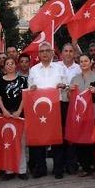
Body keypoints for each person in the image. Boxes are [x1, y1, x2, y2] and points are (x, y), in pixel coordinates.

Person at [26, 41, 68, 179]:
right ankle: (41, 167)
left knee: (57, 138)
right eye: (42, 51)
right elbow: (29, 89)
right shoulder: (33, 70)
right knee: (39, 138)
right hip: (38, 109)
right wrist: (31, 90)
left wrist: (64, 86)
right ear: (38, 54)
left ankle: (58, 168)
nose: (44, 53)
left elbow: (67, 86)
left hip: (57, 106)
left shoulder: (60, 68)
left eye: (47, 51)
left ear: (52, 53)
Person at [69, 54, 95, 178]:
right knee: (80, 142)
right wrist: (70, 91)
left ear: (90, 62)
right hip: (80, 115)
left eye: (86, 61)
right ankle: (85, 167)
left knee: (94, 142)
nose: (83, 63)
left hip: (94, 113)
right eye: (81, 61)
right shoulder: (75, 79)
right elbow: (70, 98)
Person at [0, 58, 29, 179]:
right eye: (7, 64)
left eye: (12, 64)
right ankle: (9, 170)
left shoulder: (23, 80)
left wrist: (19, 111)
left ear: (16, 66)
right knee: (7, 143)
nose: (10, 66)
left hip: (19, 115)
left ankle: (22, 170)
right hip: (6, 116)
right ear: (4, 66)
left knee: (21, 142)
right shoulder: (0, 80)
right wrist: (4, 110)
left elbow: (25, 96)